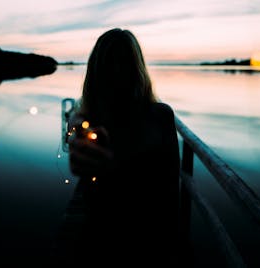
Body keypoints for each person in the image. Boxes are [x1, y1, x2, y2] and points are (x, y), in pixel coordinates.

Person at [54, 28, 181, 267]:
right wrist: (77, 132)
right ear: (97, 71)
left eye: (124, 61)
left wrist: (173, 240)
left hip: (149, 237)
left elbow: (171, 185)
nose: (117, 70)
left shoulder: (161, 115)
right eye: (110, 62)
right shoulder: (92, 117)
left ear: (136, 68)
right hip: (100, 233)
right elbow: (77, 121)